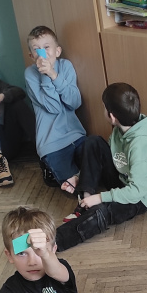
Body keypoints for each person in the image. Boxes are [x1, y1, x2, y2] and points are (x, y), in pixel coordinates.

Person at [54, 82, 147, 252]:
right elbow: (110, 158)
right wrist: (79, 177)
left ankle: (53, 243)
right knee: (93, 142)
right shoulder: (120, 130)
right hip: (124, 179)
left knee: (101, 211)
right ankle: (85, 202)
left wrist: (100, 198)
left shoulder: (142, 146)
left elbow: (135, 192)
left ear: (112, 116)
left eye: (104, 107)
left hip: (139, 197)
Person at [23, 26, 87, 195]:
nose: (42, 54)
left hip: (75, 135)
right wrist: (46, 75)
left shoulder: (65, 66)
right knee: (72, 188)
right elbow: (54, 108)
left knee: (94, 171)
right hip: (52, 144)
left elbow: (75, 102)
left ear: (57, 51)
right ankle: (50, 167)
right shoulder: (30, 74)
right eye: (37, 50)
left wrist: (54, 75)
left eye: (46, 47)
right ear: (31, 56)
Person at [0, 50, 36, 188]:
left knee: (17, 103)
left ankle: (44, 149)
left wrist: (1, 96)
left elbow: (19, 92)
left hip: (7, 142)